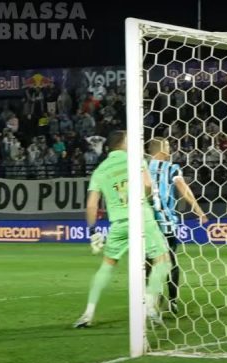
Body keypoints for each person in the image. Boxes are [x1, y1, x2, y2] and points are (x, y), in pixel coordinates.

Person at [73, 130, 172, 328]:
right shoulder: (136, 160)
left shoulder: (100, 170)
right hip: (142, 218)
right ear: (124, 143)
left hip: (118, 224)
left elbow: (92, 205)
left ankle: (88, 313)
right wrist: (144, 198)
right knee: (163, 260)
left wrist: (92, 231)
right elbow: (147, 186)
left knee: (107, 265)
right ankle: (150, 304)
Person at [146, 137, 208, 314]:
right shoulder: (170, 168)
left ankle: (149, 299)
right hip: (166, 222)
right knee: (170, 261)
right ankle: (172, 301)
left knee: (148, 262)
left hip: (147, 223)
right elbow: (183, 188)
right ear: (161, 150)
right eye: (167, 146)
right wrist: (198, 210)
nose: (170, 150)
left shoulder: (141, 168)